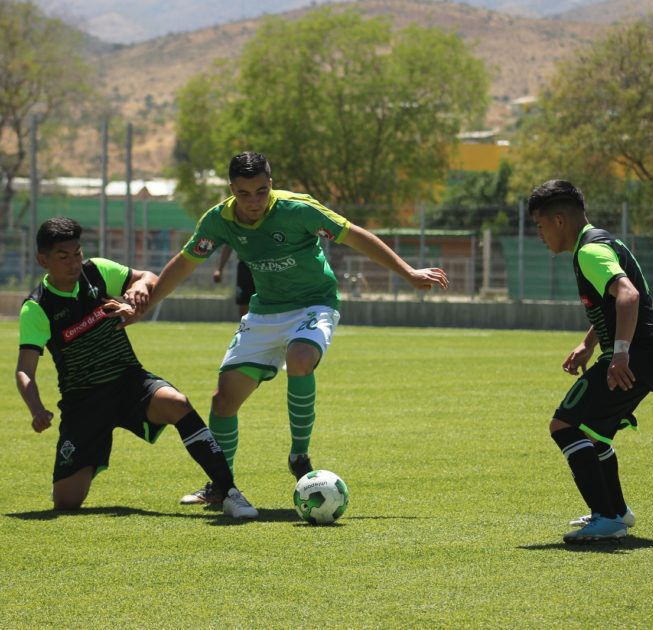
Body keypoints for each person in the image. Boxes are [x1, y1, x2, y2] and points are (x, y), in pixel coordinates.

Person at [129, 151, 449, 506]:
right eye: (244, 193)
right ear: (232, 189)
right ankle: (220, 485)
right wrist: (148, 305)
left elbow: (355, 236)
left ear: (271, 184)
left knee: (300, 356)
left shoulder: (299, 209)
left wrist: (408, 272)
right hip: (264, 313)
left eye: (261, 191)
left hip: (314, 304)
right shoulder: (218, 220)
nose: (254, 202)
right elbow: (186, 263)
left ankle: (299, 455)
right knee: (223, 401)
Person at [15, 217, 258, 518]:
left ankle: (228, 490)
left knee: (176, 403)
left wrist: (140, 286)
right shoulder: (38, 307)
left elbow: (148, 277)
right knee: (66, 503)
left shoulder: (98, 272)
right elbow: (25, 369)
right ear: (43, 260)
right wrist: (36, 409)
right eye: (63, 257)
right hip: (84, 403)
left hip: (129, 382)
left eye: (77, 253)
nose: (73, 262)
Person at [527, 180, 653, 543]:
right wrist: (589, 344)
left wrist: (619, 353)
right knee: (595, 432)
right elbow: (609, 301)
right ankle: (616, 511)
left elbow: (628, 295)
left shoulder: (589, 252)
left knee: (564, 425)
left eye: (540, 226)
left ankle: (608, 518)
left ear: (559, 220)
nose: (540, 235)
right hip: (644, 356)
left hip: (632, 357)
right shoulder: (601, 241)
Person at [213, 244, 255, 318]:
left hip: (265, 266)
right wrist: (219, 269)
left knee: (267, 299)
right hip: (245, 267)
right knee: (243, 301)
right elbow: (228, 246)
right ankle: (244, 327)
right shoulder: (236, 232)